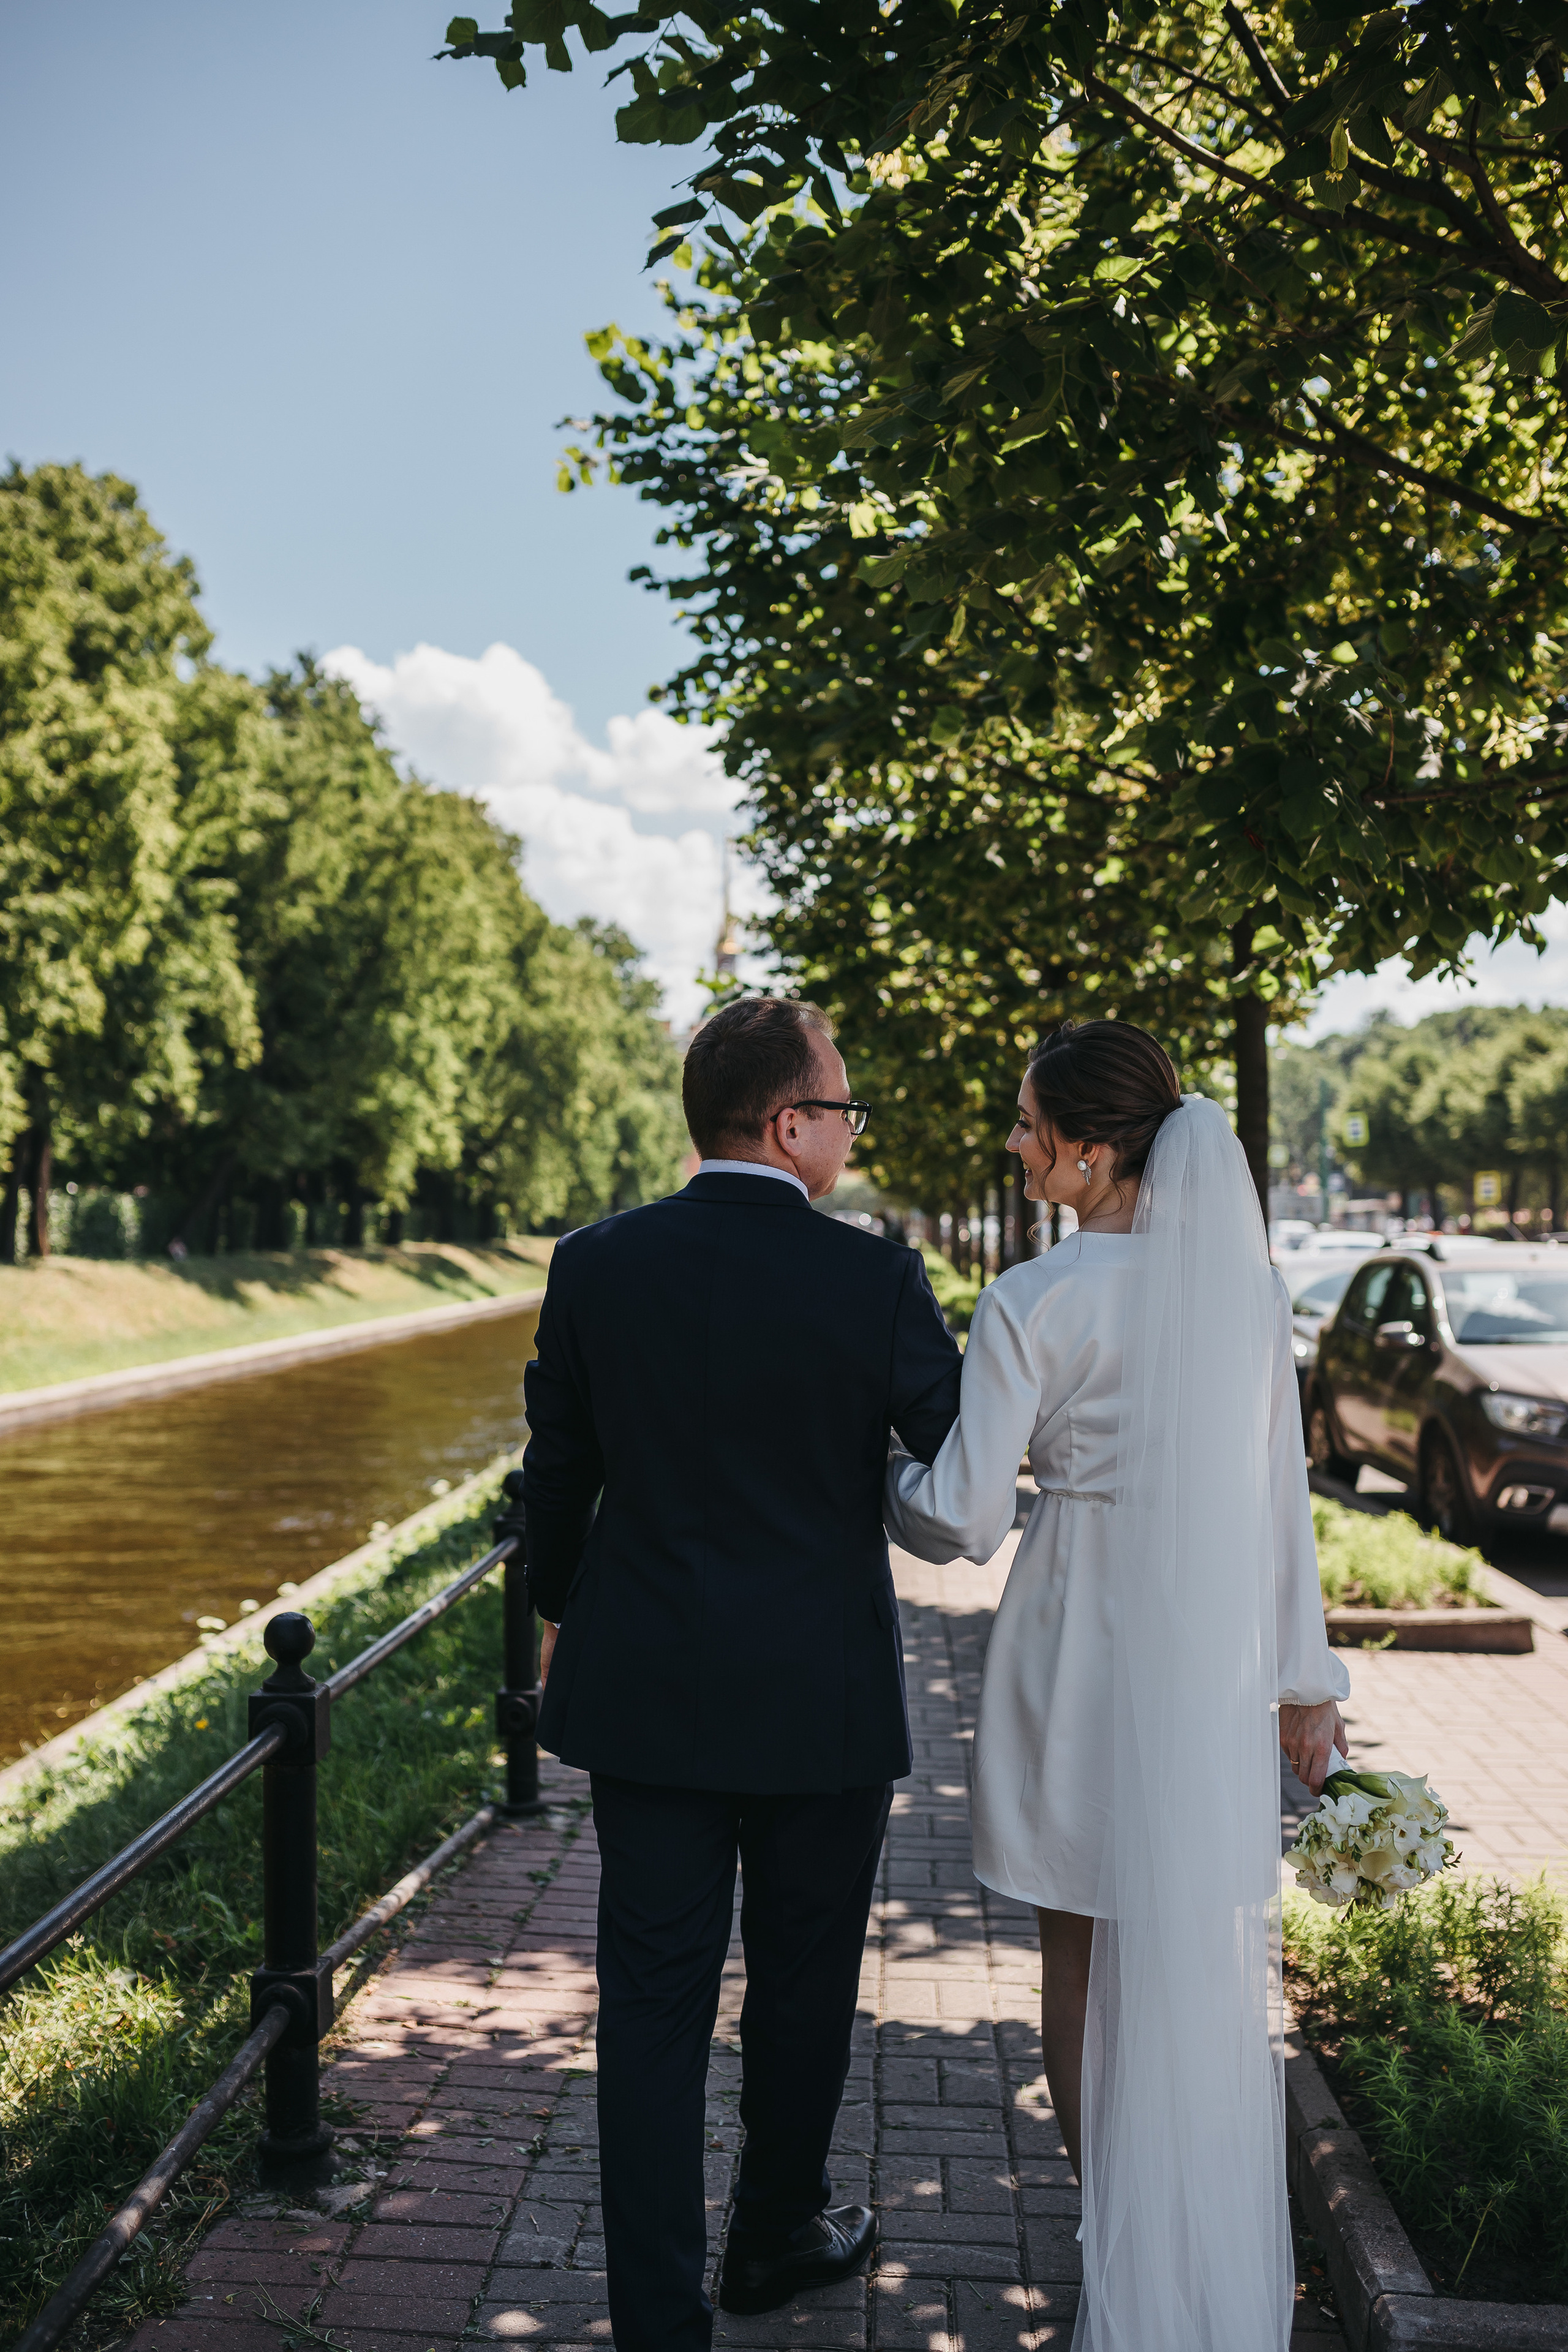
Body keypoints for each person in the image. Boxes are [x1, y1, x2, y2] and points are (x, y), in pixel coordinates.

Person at [884, 1020, 1350, 2352]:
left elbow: (964, 1521)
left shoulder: (1034, 1299)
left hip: (1075, 1642)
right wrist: (1299, 1687)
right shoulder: (1250, 1296)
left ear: (1091, 1151)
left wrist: (886, 1482)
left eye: (1029, 1125)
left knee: (1074, 1958)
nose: (1014, 1143)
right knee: (1190, 1957)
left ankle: (1116, 2254)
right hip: (1200, 1659)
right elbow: (1280, 1512)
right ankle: (1194, 2252)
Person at [521, 995, 963, 2351]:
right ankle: (771, 2240)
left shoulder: (596, 1264)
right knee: (802, 1983)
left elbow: (558, 1479)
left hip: (647, 1696)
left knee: (648, 2008)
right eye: (841, 1109)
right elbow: (951, 1472)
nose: (847, 1128)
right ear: (787, 1124)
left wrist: (557, 1613)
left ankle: (660, 2320)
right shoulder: (874, 1280)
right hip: (817, 1702)